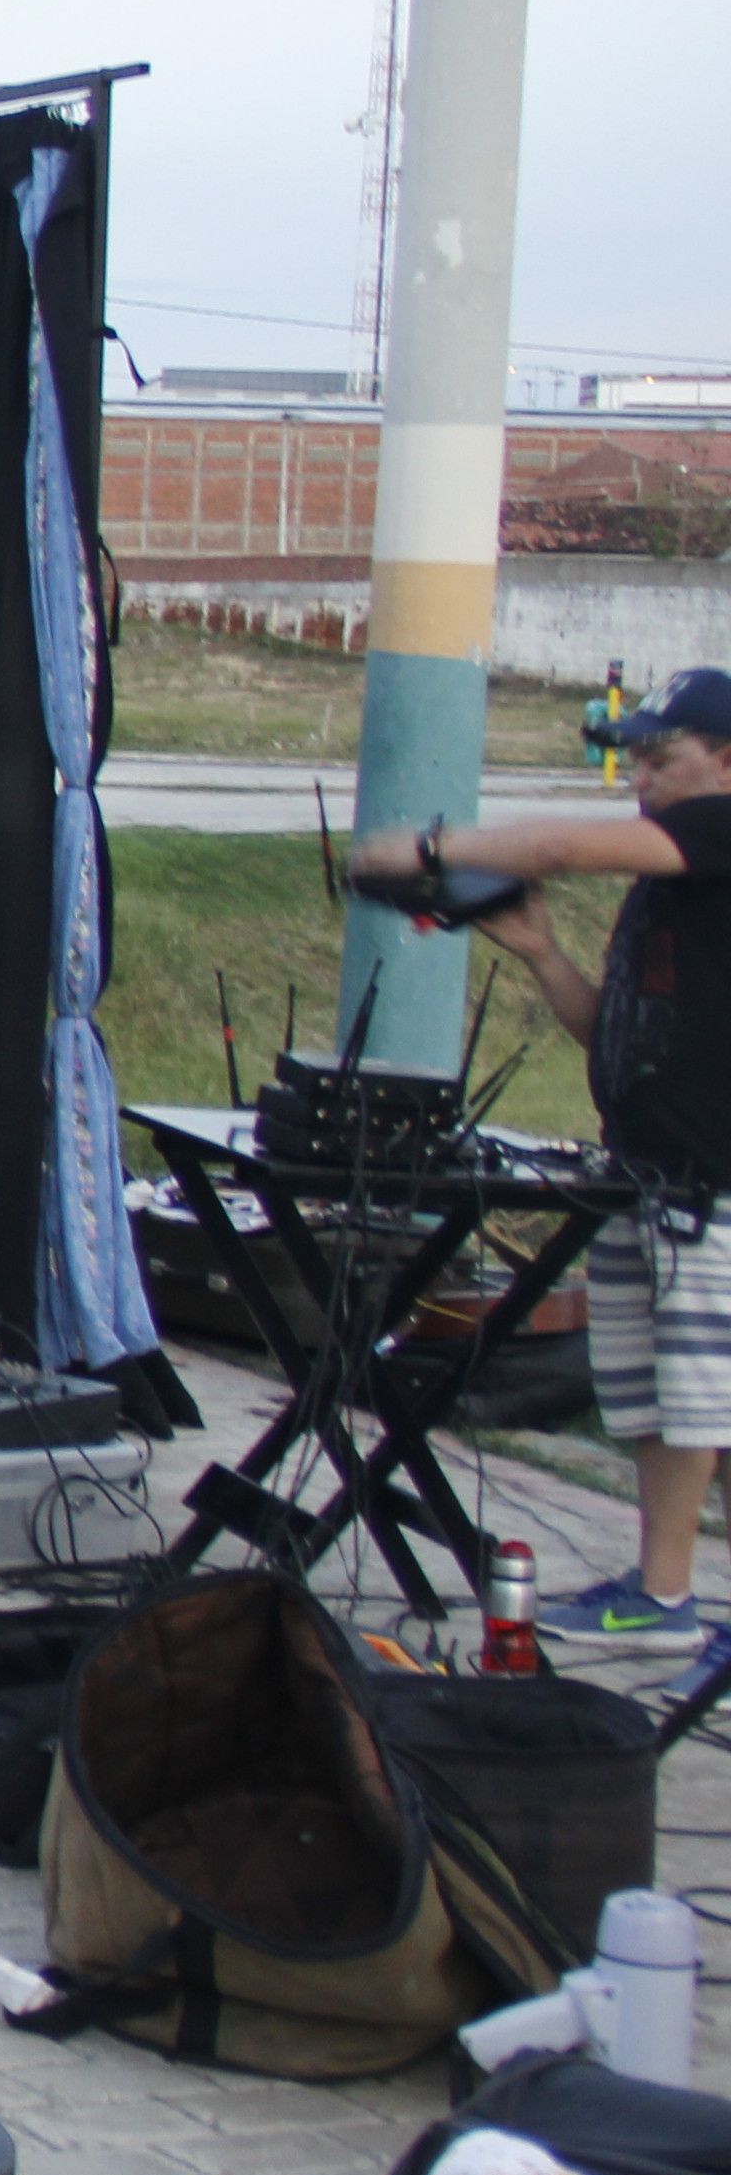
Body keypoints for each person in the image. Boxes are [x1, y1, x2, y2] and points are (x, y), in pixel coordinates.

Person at [356, 668, 731, 1669]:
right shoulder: (671, 888)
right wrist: (540, 951)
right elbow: (610, 1033)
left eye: (662, 760)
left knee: (714, 1410)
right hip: (645, 1177)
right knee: (661, 1409)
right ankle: (663, 1595)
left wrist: (433, 848)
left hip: (715, 1189)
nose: (642, 781)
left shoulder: (721, 830)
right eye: (635, 761)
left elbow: (560, 848)